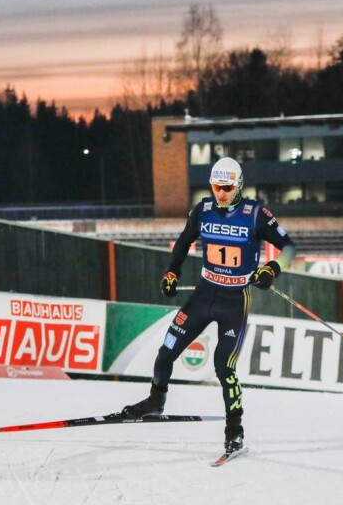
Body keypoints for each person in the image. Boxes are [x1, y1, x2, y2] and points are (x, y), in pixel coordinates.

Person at [120, 157, 296, 454]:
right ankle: (155, 400)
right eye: (216, 186)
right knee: (166, 352)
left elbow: (289, 247)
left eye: (226, 187)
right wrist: (171, 271)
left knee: (223, 367)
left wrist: (271, 269)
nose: (221, 193)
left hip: (233, 300)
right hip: (203, 295)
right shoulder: (202, 210)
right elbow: (183, 241)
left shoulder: (256, 215)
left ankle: (234, 430)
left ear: (238, 185)